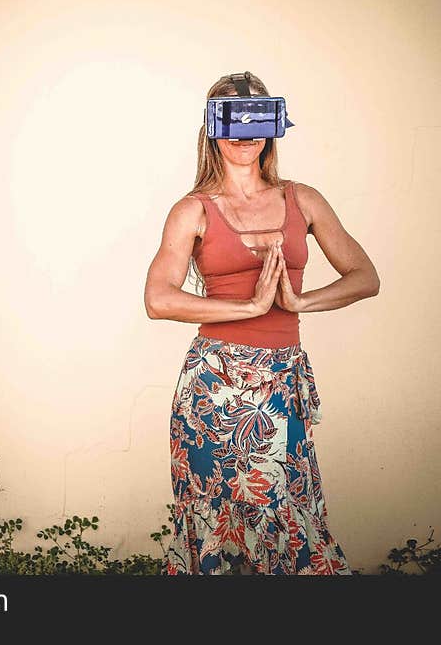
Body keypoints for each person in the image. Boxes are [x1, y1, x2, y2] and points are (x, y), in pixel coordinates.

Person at [144, 72, 380, 575]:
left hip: (281, 380)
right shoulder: (193, 210)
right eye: (231, 118)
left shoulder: (303, 199)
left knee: (292, 518)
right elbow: (158, 299)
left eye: (257, 117)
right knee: (218, 525)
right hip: (215, 387)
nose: (245, 131)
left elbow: (365, 277)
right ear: (212, 127)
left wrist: (297, 303)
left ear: (273, 125)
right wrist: (247, 309)